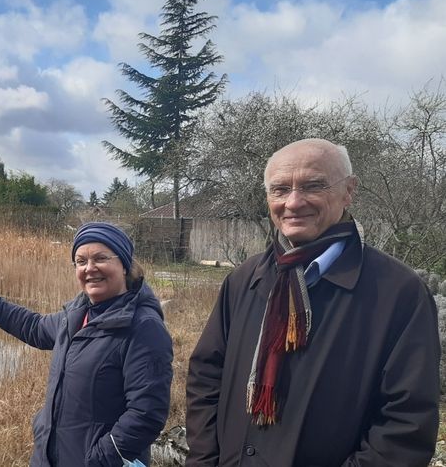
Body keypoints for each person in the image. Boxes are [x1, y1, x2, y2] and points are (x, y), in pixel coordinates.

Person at [185, 138, 440, 466]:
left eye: (313, 186)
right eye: (279, 190)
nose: (293, 202)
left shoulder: (398, 293)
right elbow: (205, 376)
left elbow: (406, 424)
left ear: (349, 191)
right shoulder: (245, 280)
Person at [0, 222, 173, 466]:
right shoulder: (78, 315)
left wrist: (99, 459)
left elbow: (147, 413)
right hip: (49, 457)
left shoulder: (143, 327)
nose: (90, 268)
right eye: (81, 261)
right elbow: (36, 327)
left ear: (123, 265)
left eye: (100, 258)